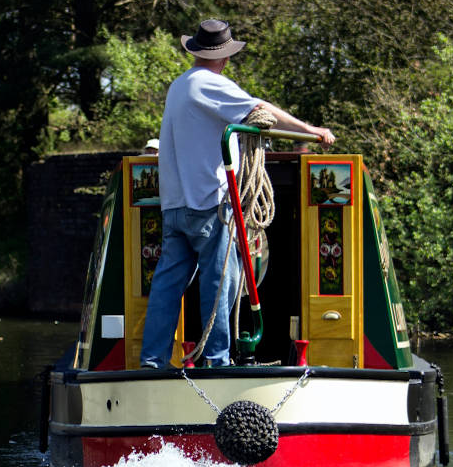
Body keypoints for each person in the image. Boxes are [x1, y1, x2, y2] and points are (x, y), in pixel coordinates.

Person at [139, 19, 335, 369]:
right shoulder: (210, 84)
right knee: (220, 283)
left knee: (167, 286)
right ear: (226, 58)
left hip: (174, 206)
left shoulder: (179, 86)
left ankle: (152, 362)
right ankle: (217, 361)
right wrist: (311, 131)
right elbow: (260, 109)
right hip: (208, 204)